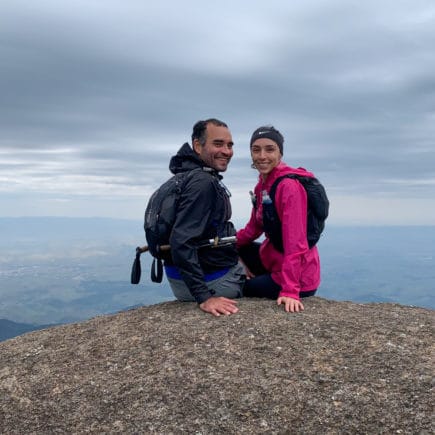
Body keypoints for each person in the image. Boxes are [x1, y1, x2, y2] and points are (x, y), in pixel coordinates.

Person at [164, 118, 245, 316]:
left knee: (256, 253)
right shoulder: (202, 182)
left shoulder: (186, 176)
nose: (226, 151)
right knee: (275, 279)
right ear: (198, 146)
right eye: (218, 144)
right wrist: (205, 297)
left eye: (229, 145)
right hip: (209, 283)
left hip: (183, 277)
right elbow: (181, 240)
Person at [236, 125, 321, 313]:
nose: (262, 156)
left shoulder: (288, 187)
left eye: (270, 149)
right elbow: (253, 229)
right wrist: (230, 245)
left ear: (280, 153)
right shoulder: (262, 185)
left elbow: (295, 242)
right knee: (230, 251)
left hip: (298, 276)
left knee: (237, 287)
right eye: (256, 150)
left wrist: (290, 290)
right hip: (273, 259)